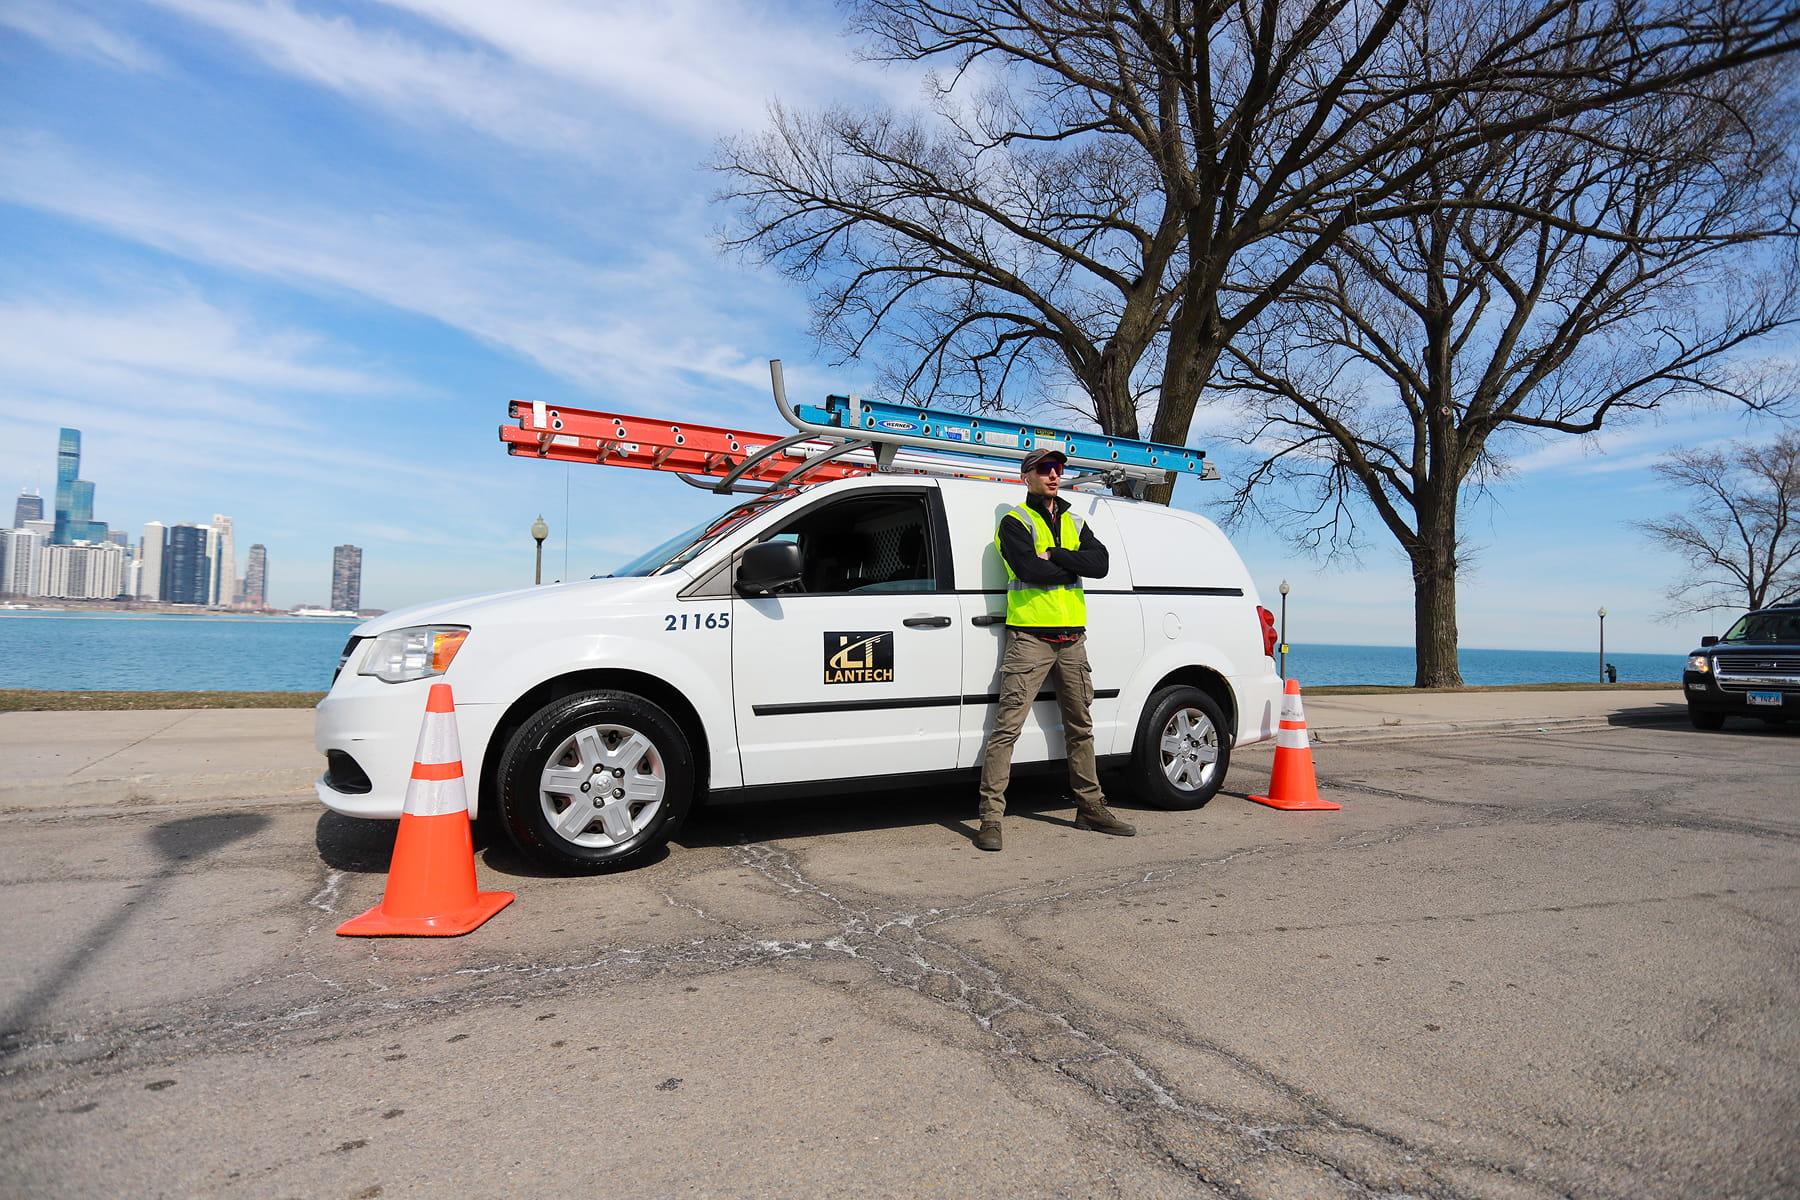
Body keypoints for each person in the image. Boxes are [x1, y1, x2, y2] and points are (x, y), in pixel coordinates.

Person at [974, 447, 1136, 852]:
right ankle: (991, 818)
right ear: (1026, 476)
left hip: (1072, 641)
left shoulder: (1074, 519)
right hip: (1030, 639)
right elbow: (1031, 570)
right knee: (1006, 729)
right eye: (1045, 468)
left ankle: (1090, 807)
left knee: (1081, 728)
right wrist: (1070, 563)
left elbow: (1100, 564)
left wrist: (1060, 556)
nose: (1054, 474)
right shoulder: (1015, 521)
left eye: (1058, 468)